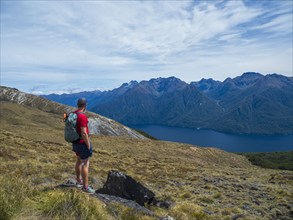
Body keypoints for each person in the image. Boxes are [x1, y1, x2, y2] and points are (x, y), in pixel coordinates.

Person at [72, 98, 95, 193]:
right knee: (85, 163)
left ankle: (78, 181)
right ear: (85, 105)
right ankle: (85, 187)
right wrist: (88, 144)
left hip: (75, 142)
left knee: (78, 160)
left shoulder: (73, 114)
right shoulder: (82, 116)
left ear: (78, 105)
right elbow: (84, 133)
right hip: (82, 143)